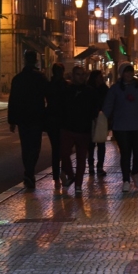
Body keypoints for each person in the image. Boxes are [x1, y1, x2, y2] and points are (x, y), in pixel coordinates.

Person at [102, 63, 138, 193]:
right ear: (121, 74)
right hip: (121, 126)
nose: (129, 74)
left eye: (131, 72)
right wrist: (103, 120)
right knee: (125, 153)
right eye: (126, 72)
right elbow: (108, 105)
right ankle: (126, 179)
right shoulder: (115, 89)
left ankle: (134, 172)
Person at [7, 50, 47, 190]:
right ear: (35, 60)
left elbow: (12, 100)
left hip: (23, 118)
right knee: (35, 146)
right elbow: (47, 97)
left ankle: (28, 172)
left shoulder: (18, 79)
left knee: (26, 146)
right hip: (36, 116)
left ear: (24, 60)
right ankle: (30, 172)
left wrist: (12, 120)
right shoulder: (40, 78)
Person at [59, 65, 98, 195]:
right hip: (68, 127)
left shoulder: (90, 91)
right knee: (64, 153)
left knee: (81, 158)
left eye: (82, 74)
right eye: (78, 74)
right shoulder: (66, 90)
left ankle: (78, 184)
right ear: (73, 75)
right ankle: (71, 176)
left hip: (83, 129)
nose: (80, 77)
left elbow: (95, 109)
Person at [44, 63, 67, 189]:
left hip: (52, 119)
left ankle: (56, 175)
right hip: (63, 120)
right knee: (63, 149)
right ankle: (62, 173)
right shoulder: (65, 85)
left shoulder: (49, 85)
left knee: (56, 149)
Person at [87, 69, 109, 176]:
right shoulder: (89, 89)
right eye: (99, 77)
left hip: (101, 118)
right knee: (91, 144)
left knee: (101, 143)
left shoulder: (104, 89)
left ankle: (99, 166)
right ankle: (91, 165)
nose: (101, 78)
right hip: (91, 118)